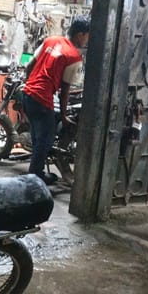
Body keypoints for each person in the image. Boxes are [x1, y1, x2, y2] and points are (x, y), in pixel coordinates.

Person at [22, 15, 90, 185]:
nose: (87, 40)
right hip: (41, 99)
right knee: (46, 140)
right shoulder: (74, 57)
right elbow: (65, 91)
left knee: (37, 136)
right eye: (87, 36)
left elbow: (29, 65)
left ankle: (36, 171)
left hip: (27, 95)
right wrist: (65, 116)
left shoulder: (50, 40)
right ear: (81, 34)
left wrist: (29, 84)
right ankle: (34, 179)